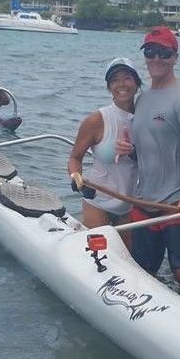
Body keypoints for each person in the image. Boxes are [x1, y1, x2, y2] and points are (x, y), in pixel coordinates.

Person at [116, 26, 180, 293]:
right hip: (145, 202)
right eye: (151, 52)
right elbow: (150, 148)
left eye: (164, 54)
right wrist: (129, 149)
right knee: (144, 272)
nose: (156, 59)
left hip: (176, 204)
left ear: (175, 58)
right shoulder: (142, 99)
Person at [67, 58, 142, 243]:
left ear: (137, 83)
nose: (121, 84)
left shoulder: (146, 119)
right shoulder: (96, 120)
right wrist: (76, 177)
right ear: (109, 87)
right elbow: (75, 158)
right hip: (97, 202)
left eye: (127, 78)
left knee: (132, 262)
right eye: (114, 80)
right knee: (101, 258)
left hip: (130, 206)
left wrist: (134, 152)